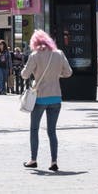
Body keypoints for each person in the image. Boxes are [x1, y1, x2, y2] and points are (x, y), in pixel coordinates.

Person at [21, 30, 73, 171]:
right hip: (56, 97)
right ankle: (54, 161)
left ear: (35, 42)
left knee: (34, 129)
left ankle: (33, 159)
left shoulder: (35, 55)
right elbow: (68, 72)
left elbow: (25, 75)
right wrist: (56, 75)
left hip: (40, 98)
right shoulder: (59, 54)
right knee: (52, 131)